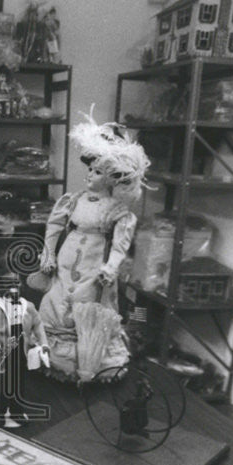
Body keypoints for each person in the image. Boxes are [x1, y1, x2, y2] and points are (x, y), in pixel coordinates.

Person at [35, 112, 150, 381]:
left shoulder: (117, 210)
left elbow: (121, 244)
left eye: (98, 172)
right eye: (90, 169)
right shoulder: (73, 201)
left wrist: (111, 267)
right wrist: (48, 252)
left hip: (93, 267)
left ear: (111, 179)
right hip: (65, 263)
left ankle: (89, 360)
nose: (90, 175)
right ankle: (52, 353)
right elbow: (53, 227)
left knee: (86, 304)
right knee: (56, 301)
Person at [0, 277, 49, 428]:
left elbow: (38, 325)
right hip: (3, 351)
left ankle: (16, 411)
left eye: (16, 285)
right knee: (3, 383)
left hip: (21, 350)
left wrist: (44, 344)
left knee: (19, 383)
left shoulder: (29, 306)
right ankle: (0, 412)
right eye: (9, 285)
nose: (13, 289)